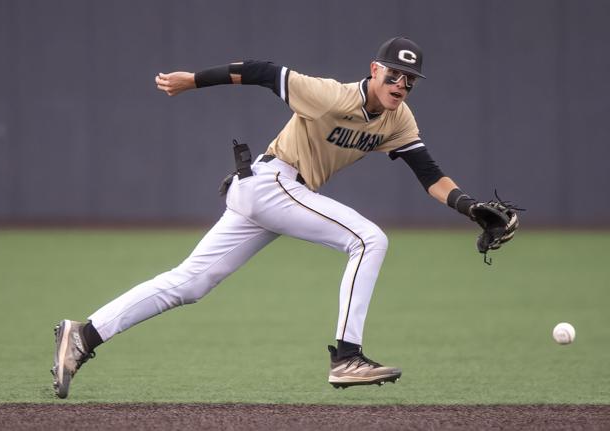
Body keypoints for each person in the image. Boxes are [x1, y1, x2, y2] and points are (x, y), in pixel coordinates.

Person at [52, 37, 515, 398]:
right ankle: (347, 356)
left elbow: (429, 174)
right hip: (274, 182)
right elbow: (261, 71)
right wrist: (194, 79)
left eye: (409, 80)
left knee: (188, 283)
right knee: (368, 239)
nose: (401, 85)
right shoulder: (331, 96)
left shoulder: (399, 120)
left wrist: (469, 205)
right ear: (374, 71)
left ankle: (84, 335)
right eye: (394, 74)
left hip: (270, 192)